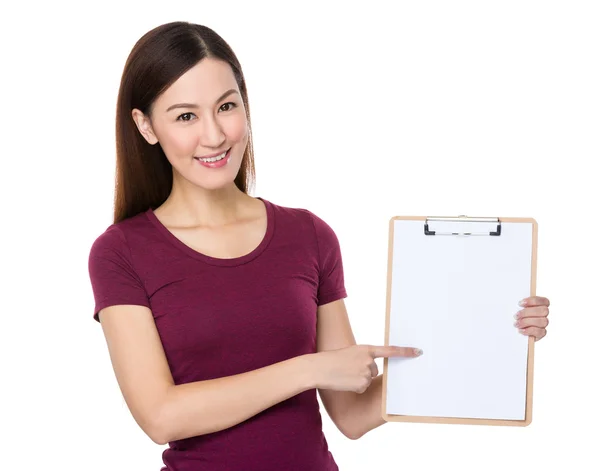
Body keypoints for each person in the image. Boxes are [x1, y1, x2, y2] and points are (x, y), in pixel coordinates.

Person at [87, 21, 551, 471]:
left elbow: (352, 414)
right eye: (186, 116)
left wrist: (491, 337)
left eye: (226, 107)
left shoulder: (307, 235)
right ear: (145, 126)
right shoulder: (121, 253)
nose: (214, 135)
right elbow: (161, 415)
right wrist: (309, 369)